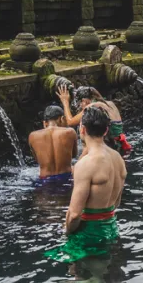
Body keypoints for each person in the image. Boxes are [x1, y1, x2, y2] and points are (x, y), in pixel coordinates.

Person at [46, 106, 126, 262]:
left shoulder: (86, 164)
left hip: (89, 233)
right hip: (111, 228)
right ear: (105, 131)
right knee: (107, 277)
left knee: (85, 282)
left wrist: (67, 233)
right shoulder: (118, 159)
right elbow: (116, 203)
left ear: (82, 129)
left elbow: (74, 214)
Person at [62, 87, 132, 154]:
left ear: (84, 100)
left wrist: (65, 101)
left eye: (80, 104)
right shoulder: (110, 104)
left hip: (109, 146)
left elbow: (70, 122)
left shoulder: (93, 106)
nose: (80, 106)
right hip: (120, 146)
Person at [28, 105, 79, 181]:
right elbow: (74, 155)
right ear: (62, 119)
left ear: (45, 123)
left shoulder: (32, 136)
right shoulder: (70, 132)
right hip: (66, 178)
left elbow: (38, 160)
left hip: (44, 180)